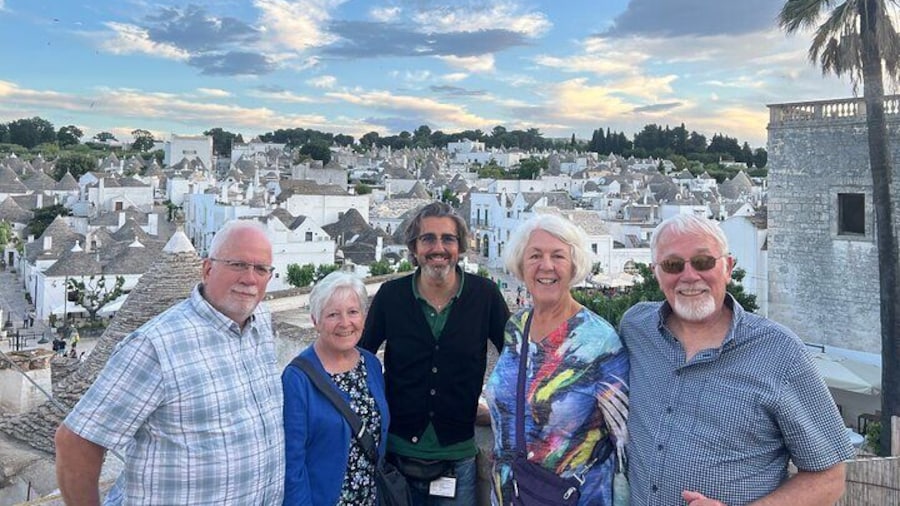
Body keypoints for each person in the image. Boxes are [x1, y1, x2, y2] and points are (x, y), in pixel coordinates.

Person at [621, 214, 854, 506]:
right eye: (672, 265)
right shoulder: (635, 327)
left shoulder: (780, 352)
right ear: (656, 272)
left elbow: (830, 476)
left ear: (728, 267)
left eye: (704, 262)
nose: (689, 276)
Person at [54, 220, 285, 505]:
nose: (250, 279)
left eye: (261, 269)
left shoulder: (259, 322)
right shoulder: (156, 346)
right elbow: (76, 441)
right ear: (208, 269)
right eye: (238, 264)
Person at [360, 201, 510, 505]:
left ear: (460, 247)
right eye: (428, 238)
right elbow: (360, 359)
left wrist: (495, 409)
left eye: (448, 239)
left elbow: (516, 360)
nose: (437, 247)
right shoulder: (391, 296)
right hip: (396, 460)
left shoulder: (485, 296)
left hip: (457, 460)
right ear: (414, 247)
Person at [485, 213, 629, 505]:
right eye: (535, 255)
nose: (546, 266)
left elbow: (624, 438)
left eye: (558, 256)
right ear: (520, 264)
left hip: (575, 497)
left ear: (574, 265)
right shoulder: (516, 326)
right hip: (511, 494)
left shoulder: (599, 340)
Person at [282, 271, 389, 505]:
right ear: (315, 321)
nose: (345, 323)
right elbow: (292, 463)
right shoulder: (297, 379)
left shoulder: (370, 364)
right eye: (332, 314)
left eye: (353, 312)